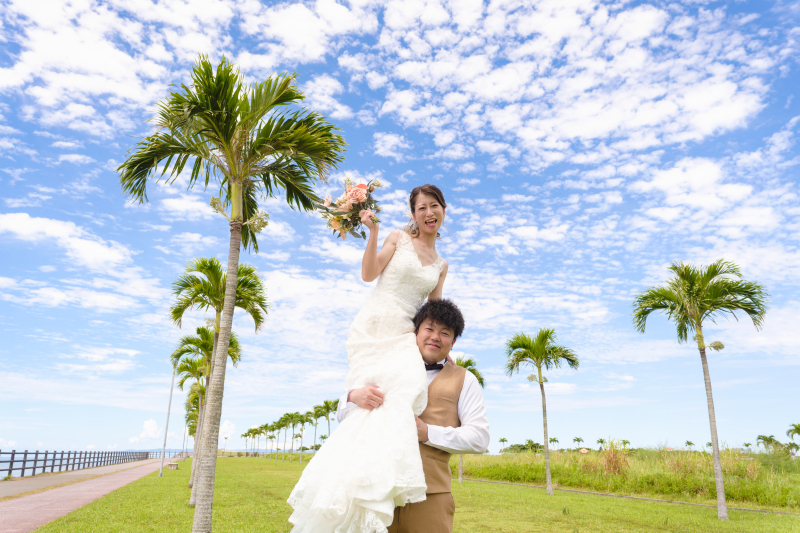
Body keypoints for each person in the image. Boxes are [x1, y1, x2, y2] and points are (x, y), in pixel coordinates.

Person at [288, 185, 450, 533]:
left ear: (443, 210)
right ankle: (349, 494)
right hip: (375, 324)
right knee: (370, 403)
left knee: (401, 395)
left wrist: (444, 348)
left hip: (406, 334)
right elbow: (368, 274)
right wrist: (373, 232)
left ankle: (377, 488)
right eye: (421, 208)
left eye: (433, 206)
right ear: (413, 214)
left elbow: (434, 311)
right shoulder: (395, 237)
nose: (428, 213)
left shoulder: (441, 264)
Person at [338, 299, 489, 533]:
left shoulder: (465, 379)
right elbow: (345, 416)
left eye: (445, 333)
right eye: (429, 329)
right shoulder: (385, 366)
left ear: (454, 341)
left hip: (431, 496)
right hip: (374, 490)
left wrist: (428, 433)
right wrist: (351, 396)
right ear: (415, 332)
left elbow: (479, 438)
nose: (435, 337)